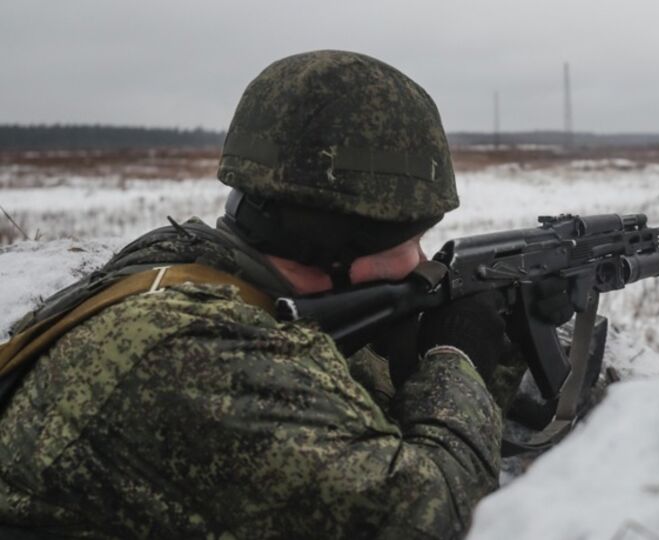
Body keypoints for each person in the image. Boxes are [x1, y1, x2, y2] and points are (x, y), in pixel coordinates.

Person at [0, 50, 518, 539]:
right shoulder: (197, 355)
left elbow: (347, 412)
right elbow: (435, 516)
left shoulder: (190, 270)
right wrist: (455, 357)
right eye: (409, 240)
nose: (420, 260)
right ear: (338, 243)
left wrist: (510, 339)